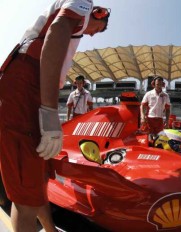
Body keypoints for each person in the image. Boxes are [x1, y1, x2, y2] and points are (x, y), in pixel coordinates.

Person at [0, 2, 110, 231]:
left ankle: (50, 229)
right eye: (97, 29)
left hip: (31, 87)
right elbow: (57, 30)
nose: (91, 35)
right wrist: (50, 112)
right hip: (27, 86)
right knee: (25, 196)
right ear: (99, 14)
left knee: (39, 176)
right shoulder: (82, 6)